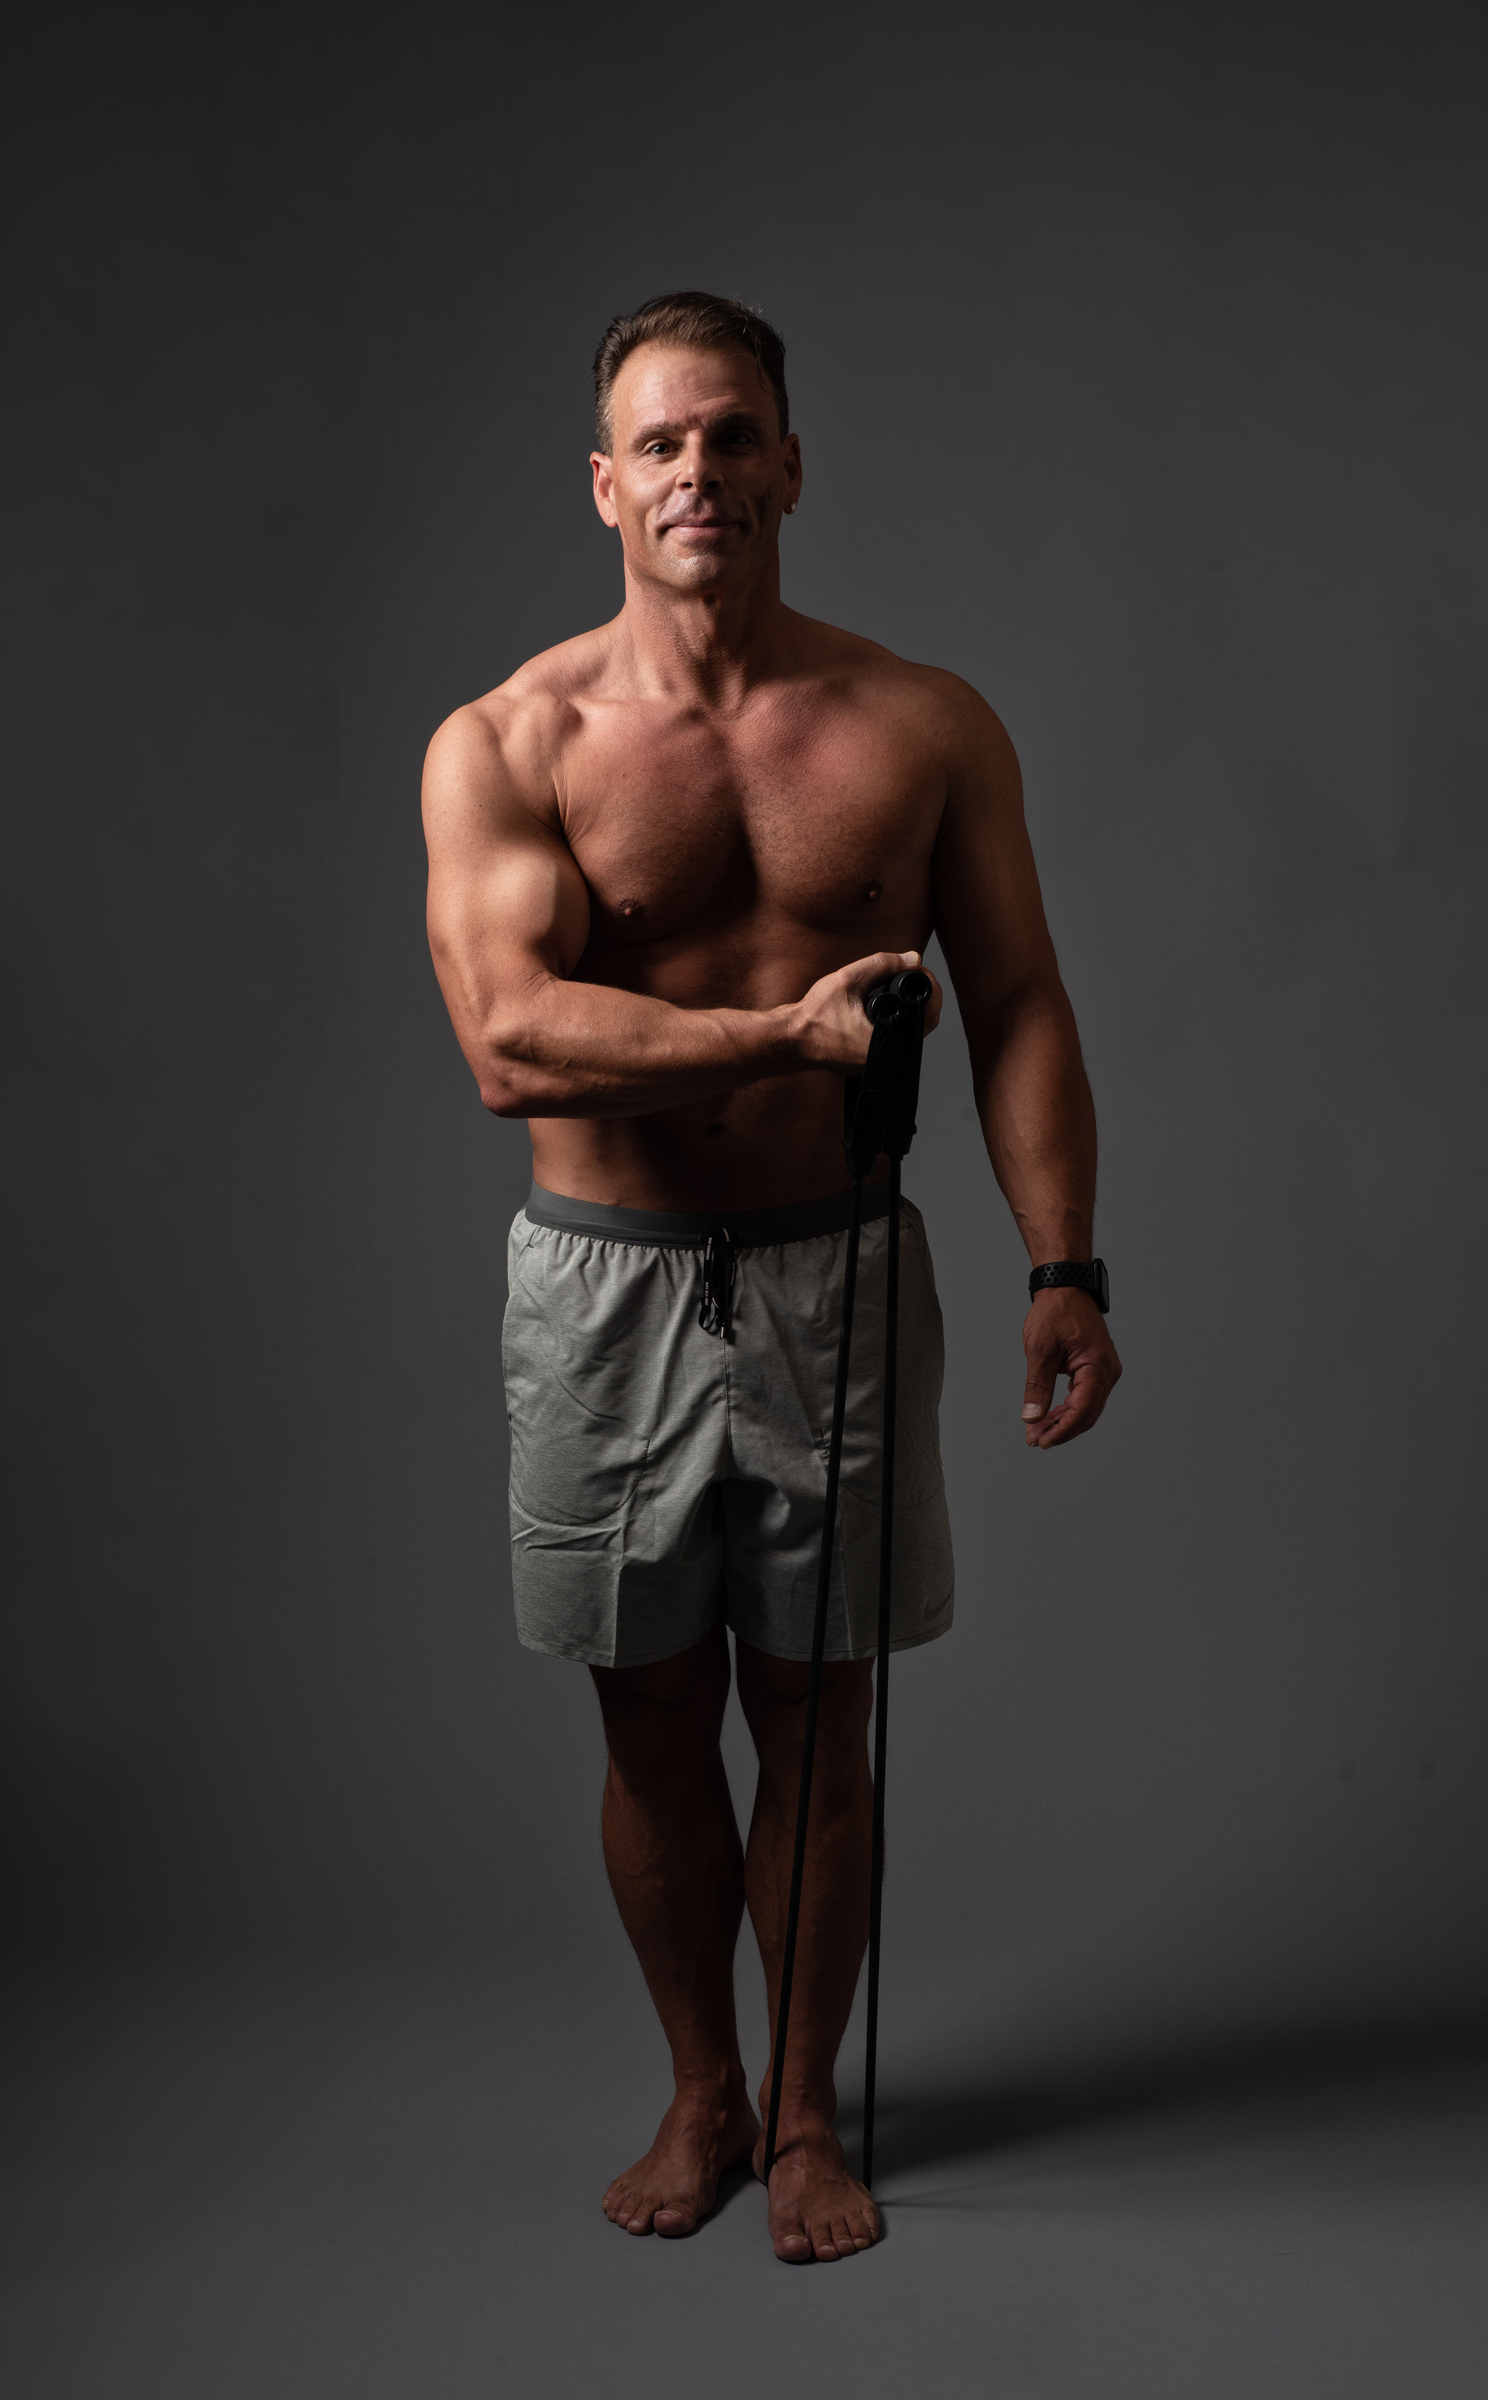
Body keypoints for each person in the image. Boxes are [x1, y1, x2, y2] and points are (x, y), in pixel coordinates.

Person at [422, 292, 1121, 2265]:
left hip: (833, 1273)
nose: (696, 475)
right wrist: (774, 1045)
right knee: (649, 1717)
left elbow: (1020, 1004)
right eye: (657, 445)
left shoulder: (921, 725)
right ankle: (698, 2088)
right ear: (600, 488)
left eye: (730, 437)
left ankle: (804, 2115)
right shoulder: (507, 740)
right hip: (606, 1281)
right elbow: (506, 1041)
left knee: (819, 1715)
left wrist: (1060, 1258)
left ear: (789, 465)